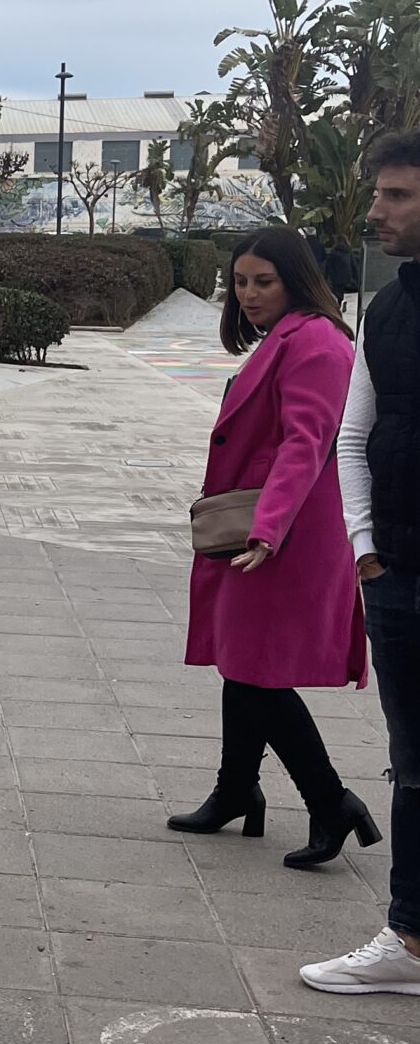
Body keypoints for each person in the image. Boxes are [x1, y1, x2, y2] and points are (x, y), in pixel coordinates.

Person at [170, 226, 373, 864]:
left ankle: (331, 801)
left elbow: (305, 442)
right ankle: (236, 792)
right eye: (240, 282)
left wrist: (268, 526)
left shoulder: (315, 340)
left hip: (286, 538)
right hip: (266, 531)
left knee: (258, 674)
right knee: (243, 662)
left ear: (295, 278)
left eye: (265, 281)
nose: (250, 294)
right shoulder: (288, 337)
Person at [303, 135, 420, 993]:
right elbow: (354, 432)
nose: (376, 212)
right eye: (381, 194)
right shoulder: (386, 310)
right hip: (399, 578)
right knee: (413, 763)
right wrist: (364, 549)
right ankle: (409, 942)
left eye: (397, 197)